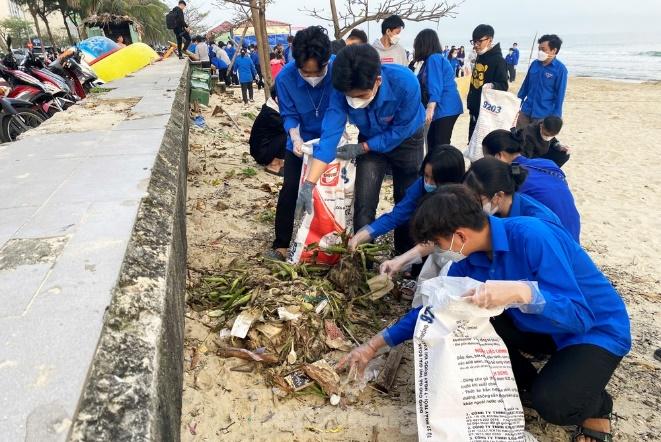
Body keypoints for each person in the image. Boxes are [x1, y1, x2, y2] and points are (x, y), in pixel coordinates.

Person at [343, 185, 630, 442]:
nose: (441, 251)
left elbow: (579, 315)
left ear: (459, 236)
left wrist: (523, 292)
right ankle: (546, 379)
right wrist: (373, 346)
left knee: (553, 405)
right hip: (539, 327)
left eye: (439, 244)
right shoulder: (468, 263)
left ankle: (597, 404)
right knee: (458, 316)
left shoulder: (533, 236)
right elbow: (433, 311)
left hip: (593, 330)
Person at [296, 44, 425, 257]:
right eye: (350, 96)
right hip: (369, 141)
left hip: (407, 141)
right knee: (364, 201)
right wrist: (308, 184)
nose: (354, 101)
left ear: (377, 81)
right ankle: (363, 257)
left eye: (361, 96)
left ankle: (405, 255)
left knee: (406, 197)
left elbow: (401, 130)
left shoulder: (406, 84)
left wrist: (363, 147)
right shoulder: (341, 88)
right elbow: (329, 137)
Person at [267, 26, 335, 260]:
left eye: (317, 72)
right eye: (305, 72)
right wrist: (294, 137)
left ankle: (331, 238)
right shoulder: (286, 77)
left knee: (332, 190)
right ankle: (281, 242)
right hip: (299, 142)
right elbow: (288, 113)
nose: (312, 77)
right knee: (290, 188)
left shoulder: (337, 69)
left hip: (331, 139)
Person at [348, 145, 465, 251]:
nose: (428, 182)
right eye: (426, 175)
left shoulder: (465, 201)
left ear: (451, 180)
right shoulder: (420, 186)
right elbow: (396, 216)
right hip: (427, 246)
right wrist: (361, 235)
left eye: (435, 179)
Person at [482, 129, 580, 241]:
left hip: (552, 238)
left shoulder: (511, 178)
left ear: (499, 156)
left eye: (486, 158)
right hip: (573, 231)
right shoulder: (547, 163)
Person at [413, 29, 463, 149]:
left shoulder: (434, 59)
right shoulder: (430, 61)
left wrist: (430, 108)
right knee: (432, 142)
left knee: (440, 146)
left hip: (445, 107)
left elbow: (435, 85)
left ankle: (443, 167)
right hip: (443, 107)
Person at [517, 34, 568, 129]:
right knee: (518, 137)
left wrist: (556, 117)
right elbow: (525, 86)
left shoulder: (560, 70)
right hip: (526, 110)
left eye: (543, 49)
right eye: (539, 49)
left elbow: (560, 95)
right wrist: (517, 104)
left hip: (543, 114)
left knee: (535, 142)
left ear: (554, 50)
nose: (540, 52)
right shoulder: (534, 64)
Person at [467, 24, 508, 140]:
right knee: (472, 143)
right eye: (474, 41)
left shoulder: (498, 60)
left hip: (487, 111)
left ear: (490, 40)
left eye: (479, 41)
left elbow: (504, 85)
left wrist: (493, 85)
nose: (476, 45)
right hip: (474, 107)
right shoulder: (480, 56)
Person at [249, 86, 286, 175]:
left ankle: (279, 161)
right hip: (261, 154)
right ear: (277, 99)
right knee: (289, 132)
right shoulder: (271, 114)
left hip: (263, 148)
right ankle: (274, 165)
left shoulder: (271, 107)